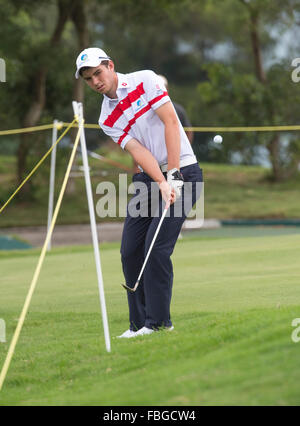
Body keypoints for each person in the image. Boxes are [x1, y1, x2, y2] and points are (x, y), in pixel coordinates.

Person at [75, 47, 203, 338]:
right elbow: (137, 150)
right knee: (130, 251)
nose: (95, 81)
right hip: (149, 179)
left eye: (98, 72)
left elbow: (172, 122)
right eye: (88, 78)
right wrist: (160, 181)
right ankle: (138, 324)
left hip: (184, 170)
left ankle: (159, 323)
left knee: (156, 250)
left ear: (110, 65)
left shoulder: (145, 80)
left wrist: (173, 175)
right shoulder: (107, 118)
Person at [158, 75, 194, 144]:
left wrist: (186, 149)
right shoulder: (147, 111)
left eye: (162, 88)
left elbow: (189, 131)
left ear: (167, 89)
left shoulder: (178, 109)